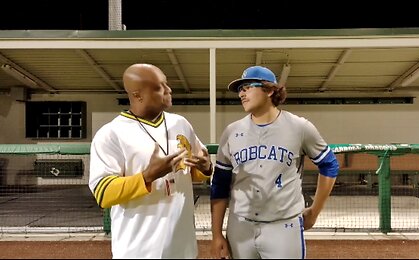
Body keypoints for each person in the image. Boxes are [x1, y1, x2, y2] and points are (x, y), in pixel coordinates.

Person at [210, 65, 339, 259]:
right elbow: (219, 185)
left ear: (269, 90)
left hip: (283, 226)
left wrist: (314, 211)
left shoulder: (299, 127)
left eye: (247, 87)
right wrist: (216, 234)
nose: (241, 94)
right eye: (239, 90)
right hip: (240, 226)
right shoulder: (231, 132)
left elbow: (329, 164)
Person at [88, 63, 213, 259]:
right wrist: (148, 176)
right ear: (137, 95)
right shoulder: (111, 133)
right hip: (138, 250)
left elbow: (194, 173)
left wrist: (206, 169)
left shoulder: (180, 123)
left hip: (183, 247)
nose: (168, 90)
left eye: (167, 84)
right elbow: (103, 193)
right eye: (159, 86)